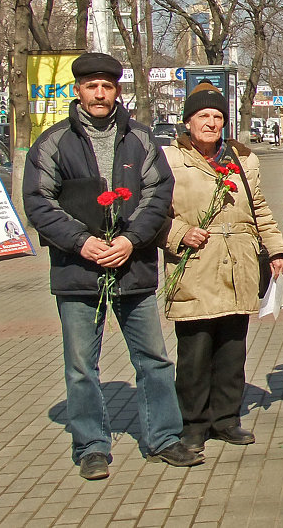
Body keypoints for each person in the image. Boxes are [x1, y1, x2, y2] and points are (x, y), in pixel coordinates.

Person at [23, 52, 201, 481]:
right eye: (91, 86)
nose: (99, 94)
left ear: (116, 90)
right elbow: (39, 202)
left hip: (132, 267)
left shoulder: (140, 139)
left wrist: (129, 239)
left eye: (107, 86)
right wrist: (83, 243)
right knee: (82, 365)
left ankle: (163, 437)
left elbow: (158, 195)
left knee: (154, 359)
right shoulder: (53, 143)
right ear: (78, 91)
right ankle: (90, 446)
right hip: (78, 273)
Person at [160, 83, 283, 452]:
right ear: (188, 121)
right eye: (204, 116)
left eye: (218, 117)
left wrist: (276, 250)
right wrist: (179, 233)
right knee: (195, 353)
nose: (212, 123)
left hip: (239, 264)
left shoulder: (243, 159)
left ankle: (226, 419)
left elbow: (259, 207)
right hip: (195, 265)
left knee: (232, 349)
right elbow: (153, 214)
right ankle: (194, 424)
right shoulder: (169, 160)